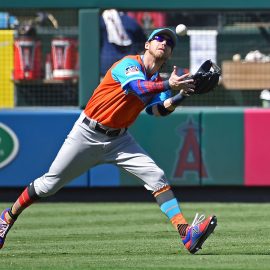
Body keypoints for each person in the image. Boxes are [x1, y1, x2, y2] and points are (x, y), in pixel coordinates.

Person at [0, 28, 217, 254]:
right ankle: (8, 215)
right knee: (48, 185)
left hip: (119, 139)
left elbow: (157, 111)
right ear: (147, 45)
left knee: (156, 176)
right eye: (159, 38)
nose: (164, 43)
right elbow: (137, 87)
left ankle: (186, 234)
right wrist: (169, 86)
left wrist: (182, 95)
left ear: (170, 54)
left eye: (169, 42)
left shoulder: (159, 80)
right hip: (87, 133)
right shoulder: (128, 65)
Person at [100, 9, 146, 76]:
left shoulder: (131, 22)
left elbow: (142, 44)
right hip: (115, 71)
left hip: (125, 71)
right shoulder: (131, 21)